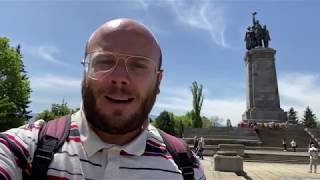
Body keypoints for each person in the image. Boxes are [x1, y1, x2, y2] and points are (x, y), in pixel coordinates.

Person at [0, 18, 205, 179]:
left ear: (158, 81)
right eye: (105, 61)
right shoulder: (24, 150)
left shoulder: (188, 166)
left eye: (138, 66)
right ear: (85, 71)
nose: (119, 78)